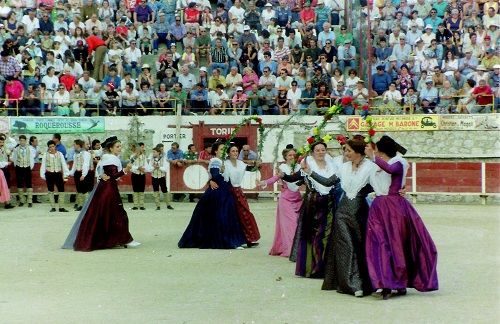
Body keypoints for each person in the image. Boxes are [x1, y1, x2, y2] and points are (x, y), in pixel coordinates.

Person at [364, 136, 439, 299]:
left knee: (396, 245)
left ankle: (398, 282)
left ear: (381, 151)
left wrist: (373, 157)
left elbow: (391, 170)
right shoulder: (377, 164)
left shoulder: (398, 162)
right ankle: (386, 282)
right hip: (379, 207)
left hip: (394, 208)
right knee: (381, 244)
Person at [304, 135, 379, 296]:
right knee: (347, 246)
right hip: (343, 212)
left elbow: (379, 185)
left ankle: (361, 282)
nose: (346, 153)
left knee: (359, 246)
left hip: (360, 212)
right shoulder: (343, 168)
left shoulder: (370, 167)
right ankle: (352, 284)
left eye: (349, 150)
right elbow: (328, 182)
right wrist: (310, 172)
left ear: (358, 152)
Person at [66, 136, 140, 252]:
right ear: (111, 148)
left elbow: (101, 170)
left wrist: (100, 175)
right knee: (117, 214)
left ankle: (114, 239)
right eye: (117, 146)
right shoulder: (111, 158)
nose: (120, 148)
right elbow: (113, 175)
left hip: (105, 187)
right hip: (109, 189)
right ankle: (123, 239)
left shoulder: (108, 158)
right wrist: (126, 170)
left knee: (108, 215)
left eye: (120, 146)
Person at [280, 141, 336, 278]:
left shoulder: (332, 166)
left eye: (323, 150)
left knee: (327, 235)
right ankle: (312, 268)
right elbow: (294, 178)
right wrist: (283, 176)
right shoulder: (307, 166)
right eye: (318, 150)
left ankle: (324, 268)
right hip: (313, 203)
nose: (321, 152)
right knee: (313, 236)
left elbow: (332, 182)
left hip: (328, 203)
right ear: (312, 153)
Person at [178, 141, 246, 249]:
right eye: (221, 149)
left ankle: (231, 240)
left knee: (227, 216)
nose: (223, 151)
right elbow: (216, 177)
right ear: (215, 151)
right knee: (222, 216)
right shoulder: (215, 161)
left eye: (224, 149)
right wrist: (216, 176)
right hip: (218, 192)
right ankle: (227, 241)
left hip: (225, 190)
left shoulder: (225, 161)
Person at [256, 147, 302, 258]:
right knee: (292, 224)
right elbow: (275, 178)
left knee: (297, 224)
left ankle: (294, 249)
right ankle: (291, 250)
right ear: (285, 157)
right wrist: (263, 183)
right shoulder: (283, 168)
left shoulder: (300, 167)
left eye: (294, 155)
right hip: (286, 199)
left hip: (298, 199)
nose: (292, 157)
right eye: (290, 155)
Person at [225, 143, 261, 247]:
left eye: (236, 151)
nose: (235, 153)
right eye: (233, 151)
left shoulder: (240, 164)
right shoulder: (225, 163)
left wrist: (256, 164)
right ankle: (236, 239)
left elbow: (250, 169)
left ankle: (249, 239)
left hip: (238, 191)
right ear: (228, 153)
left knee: (245, 213)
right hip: (229, 191)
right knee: (233, 215)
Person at [40, 140, 70, 213]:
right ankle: (53, 206)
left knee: (61, 189)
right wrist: (42, 175)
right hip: (49, 173)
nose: (52, 148)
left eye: (53, 146)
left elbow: (63, 164)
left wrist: (66, 173)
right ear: (48, 147)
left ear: (55, 146)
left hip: (58, 173)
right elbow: (43, 165)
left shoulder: (60, 154)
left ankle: (61, 207)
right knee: (51, 190)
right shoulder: (45, 155)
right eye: (50, 147)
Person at [147, 146, 174, 211]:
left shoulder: (163, 159)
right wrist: (154, 167)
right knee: (156, 190)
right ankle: (158, 206)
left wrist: (158, 167)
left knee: (164, 190)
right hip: (154, 176)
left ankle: (168, 205)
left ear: (158, 153)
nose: (153, 153)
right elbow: (148, 169)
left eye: (154, 152)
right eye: (153, 152)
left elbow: (165, 169)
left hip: (161, 176)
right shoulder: (152, 160)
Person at [69, 139, 93, 212]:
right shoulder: (76, 155)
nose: (74, 146)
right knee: (79, 190)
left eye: (74, 144)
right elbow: (74, 165)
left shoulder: (86, 154)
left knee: (84, 190)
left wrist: (83, 174)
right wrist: (71, 173)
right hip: (77, 172)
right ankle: (80, 205)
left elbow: (86, 164)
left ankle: (86, 205)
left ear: (78, 145)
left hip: (83, 173)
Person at [11, 135, 35, 207]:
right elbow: (14, 158)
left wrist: (30, 166)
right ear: (19, 141)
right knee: (20, 184)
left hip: (27, 167)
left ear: (25, 141)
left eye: (23, 140)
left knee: (29, 184)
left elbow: (31, 158)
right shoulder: (16, 149)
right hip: (19, 167)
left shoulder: (29, 149)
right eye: (21, 140)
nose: (22, 142)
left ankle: (30, 201)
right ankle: (21, 201)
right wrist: (17, 166)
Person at [130, 142, 147, 211]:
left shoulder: (144, 156)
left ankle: (141, 205)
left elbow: (146, 166)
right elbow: (130, 166)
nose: (143, 148)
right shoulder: (132, 156)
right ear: (138, 148)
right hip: (135, 174)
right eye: (142, 147)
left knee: (141, 189)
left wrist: (143, 169)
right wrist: (138, 168)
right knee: (135, 189)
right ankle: (136, 205)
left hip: (142, 174)